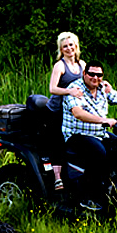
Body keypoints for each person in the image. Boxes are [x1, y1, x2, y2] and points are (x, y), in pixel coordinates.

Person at [62, 60, 117, 210]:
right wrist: (103, 120)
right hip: (77, 134)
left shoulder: (102, 88)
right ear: (84, 74)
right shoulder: (75, 89)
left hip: (99, 133)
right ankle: (86, 196)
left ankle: (113, 187)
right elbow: (78, 112)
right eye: (91, 74)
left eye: (98, 75)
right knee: (100, 154)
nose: (95, 78)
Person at [45, 32, 86, 190]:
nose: (69, 48)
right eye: (65, 46)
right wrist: (69, 91)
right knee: (58, 142)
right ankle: (57, 178)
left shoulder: (82, 64)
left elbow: (89, 81)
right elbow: (52, 88)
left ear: (76, 46)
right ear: (61, 50)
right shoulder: (60, 66)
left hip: (75, 109)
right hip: (57, 111)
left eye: (71, 45)